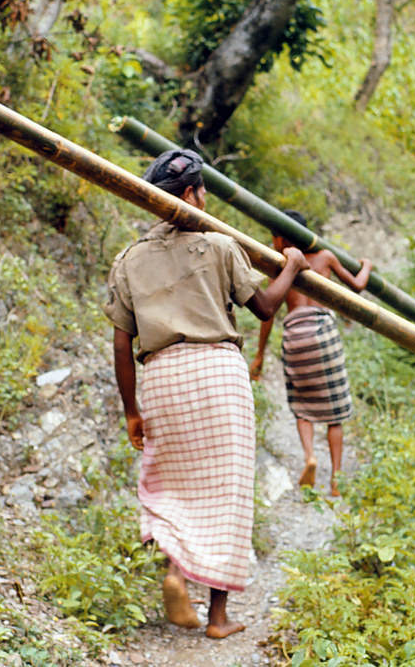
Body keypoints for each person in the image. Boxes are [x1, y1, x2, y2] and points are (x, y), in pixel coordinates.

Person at [103, 149, 308, 639]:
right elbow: (263, 307)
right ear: (193, 194)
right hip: (217, 375)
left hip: (163, 379)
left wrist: (131, 410)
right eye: (202, 191)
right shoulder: (218, 245)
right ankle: (217, 618)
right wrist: (293, 266)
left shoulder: (128, 261)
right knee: (227, 492)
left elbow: (120, 342)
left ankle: (176, 573)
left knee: (175, 485)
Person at [249, 210, 371, 497]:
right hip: (322, 330)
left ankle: (309, 458)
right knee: (335, 412)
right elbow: (358, 286)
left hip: (295, 334)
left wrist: (259, 355)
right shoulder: (325, 258)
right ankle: (337, 480)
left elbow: (268, 315)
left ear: (279, 239)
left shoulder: (280, 267)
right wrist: (366, 265)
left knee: (302, 406)